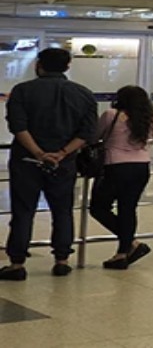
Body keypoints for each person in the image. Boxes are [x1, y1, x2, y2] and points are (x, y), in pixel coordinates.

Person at [1, 48, 96, 281]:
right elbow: (86, 133)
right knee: (62, 211)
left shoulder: (22, 91)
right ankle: (62, 260)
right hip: (64, 164)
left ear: (38, 65)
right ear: (68, 66)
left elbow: (18, 127)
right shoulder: (83, 94)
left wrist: (39, 153)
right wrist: (61, 153)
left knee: (23, 211)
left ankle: (17, 263)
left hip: (26, 162)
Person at [90, 85, 153, 269]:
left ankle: (131, 244)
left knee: (98, 208)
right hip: (141, 167)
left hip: (115, 166)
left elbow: (93, 137)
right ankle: (123, 252)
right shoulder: (150, 117)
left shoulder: (111, 115)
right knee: (128, 209)